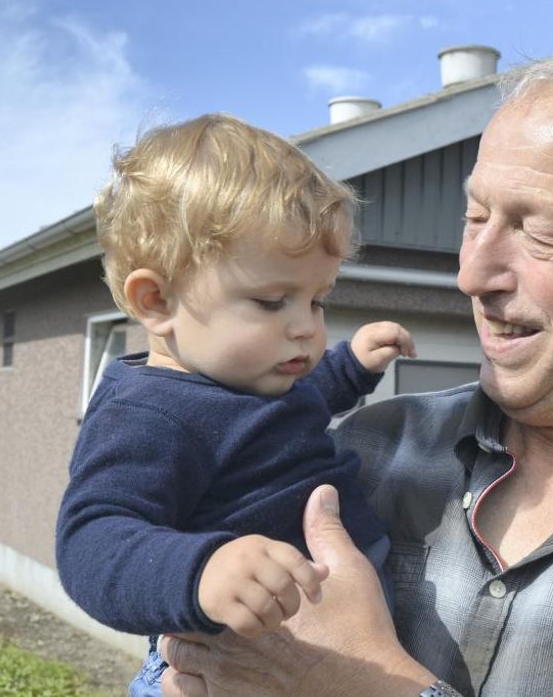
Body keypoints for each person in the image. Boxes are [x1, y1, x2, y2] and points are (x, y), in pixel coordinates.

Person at [156, 45, 553, 696]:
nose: (472, 274)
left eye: (540, 230)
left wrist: (356, 681)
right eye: (475, 217)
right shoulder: (363, 452)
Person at [54, 113, 415, 695]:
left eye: (318, 300)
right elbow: (91, 542)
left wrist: (352, 366)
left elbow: (303, 403)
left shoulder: (254, 380)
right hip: (229, 669)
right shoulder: (148, 415)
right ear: (157, 300)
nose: (306, 327)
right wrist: (202, 571)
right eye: (274, 301)